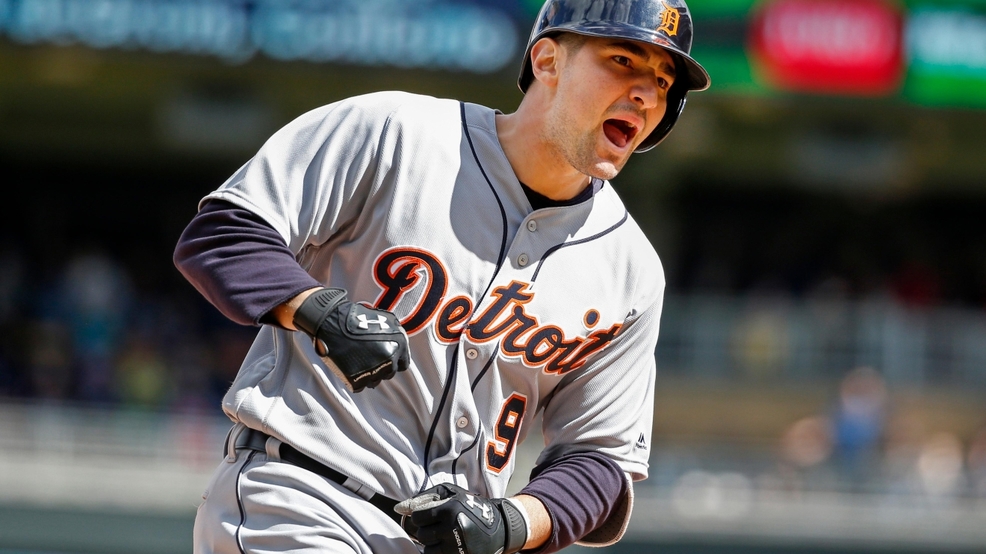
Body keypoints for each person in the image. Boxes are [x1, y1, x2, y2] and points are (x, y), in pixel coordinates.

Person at [174, 1, 710, 552]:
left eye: (664, 81)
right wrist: (319, 312)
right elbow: (225, 232)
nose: (647, 93)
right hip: (301, 497)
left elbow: (599, 461)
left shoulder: (633, 270)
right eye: (623, 60)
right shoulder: (397, 132)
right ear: (548, 60)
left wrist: (509, 523)